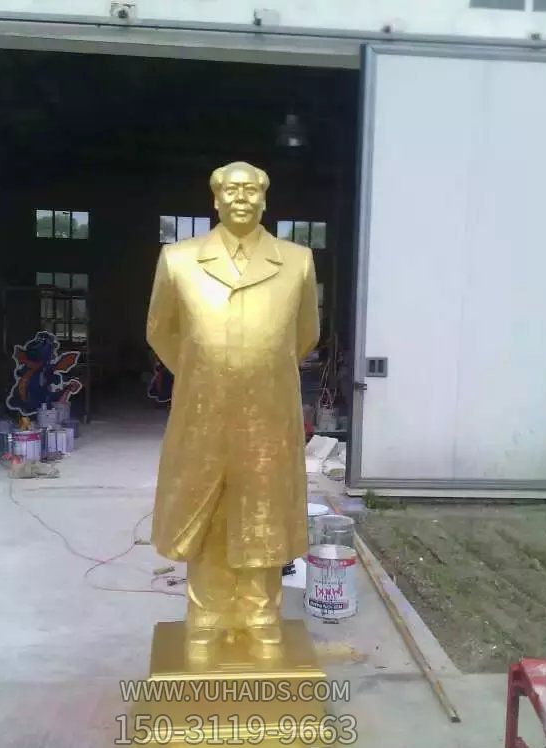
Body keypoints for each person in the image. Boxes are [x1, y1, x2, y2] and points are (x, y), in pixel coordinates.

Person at [147, 161, 319, 657]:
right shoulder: (179, 260)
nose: (241, 198)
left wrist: (257, 371)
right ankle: (207, 615)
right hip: (203, 412)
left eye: (250, 190)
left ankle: (260, 615)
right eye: (230, 189)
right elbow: (161, 331)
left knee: (263, 512)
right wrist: (208, 372)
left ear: (265, 199)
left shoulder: (297, 261)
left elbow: (304, 335)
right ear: (215, 199)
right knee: (208, 514)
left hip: (269, 413)